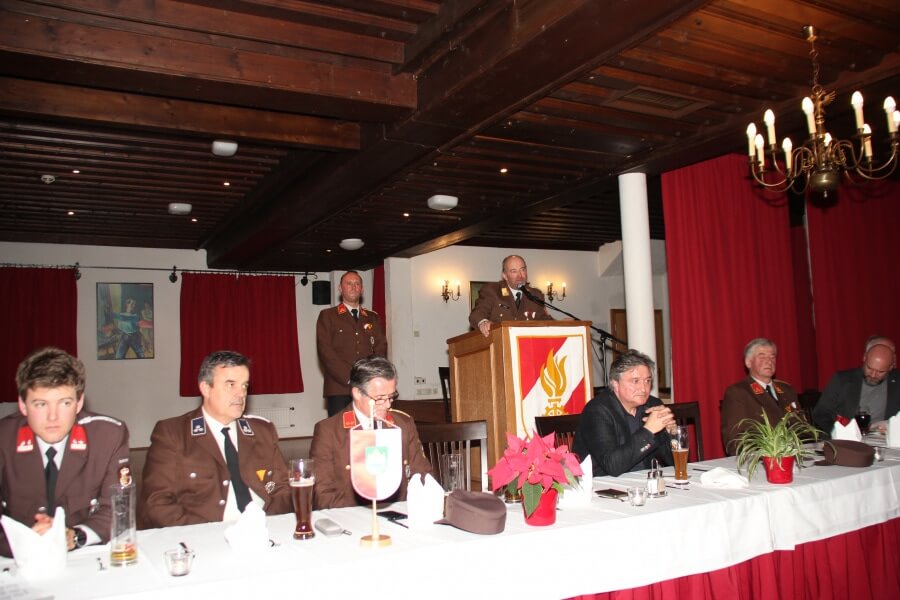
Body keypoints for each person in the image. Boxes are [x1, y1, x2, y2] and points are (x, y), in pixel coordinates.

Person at [0, 347, 130, 557]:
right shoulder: (4, 439)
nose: (53, 417)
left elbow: (117, 509)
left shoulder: (108, 436)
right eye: (40, 404)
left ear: (79, 403)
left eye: (65, 403)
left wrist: (75, 536)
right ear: (22, 405)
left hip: (82, 557)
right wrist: (24, 541)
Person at [139, 350, 291, 528]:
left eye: (244, 385)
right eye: (230, 384)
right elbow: (156, 503)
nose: (241, 394)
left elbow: (282, 489)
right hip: (203, 536)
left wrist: (267, 524)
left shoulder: (262, 431)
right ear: (205, 388)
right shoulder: (173, 434)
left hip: (263, 530)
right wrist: (209, 533)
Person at [310, 356, 432, 509]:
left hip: (399, 513)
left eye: (391, 397)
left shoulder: (403, 424)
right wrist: (363, 516)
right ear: (357, 393)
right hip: (350, 516)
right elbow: (323, 494)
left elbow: (422, 476)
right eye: (379, 398)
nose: (387, 405)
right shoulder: (329, 431)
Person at [572, 350, 675, 476]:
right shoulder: (596, 411)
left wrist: (671, 435)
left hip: (645, 480)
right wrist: (649, 430)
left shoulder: (653, 405)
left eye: (647, 381)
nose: (644, 389)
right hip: (602, 483)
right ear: (615, 384)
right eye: (635, 381)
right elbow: (612, 466)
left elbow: (673, 462)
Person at [316, 271, 388, 416]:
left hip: (368, 387)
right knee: (341, 428)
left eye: (357, 284)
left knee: (369, 427)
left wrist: (369, 376)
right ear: (340, 288)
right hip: (339, 387)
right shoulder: (328, 316)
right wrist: (351, 378)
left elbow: (381, 348)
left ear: (362, 289)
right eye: (348, 283)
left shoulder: (372, 317)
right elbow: (326, 352)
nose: (353, 287)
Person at [720, 338, 800, 455]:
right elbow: (736, 441)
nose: (769, 361)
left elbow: (802, 428)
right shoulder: (738, 392)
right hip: (762, 458)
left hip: (795, 454)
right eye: (762, 357)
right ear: (748, 362)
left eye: (772, 357)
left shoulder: (787, 390)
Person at [812, 337, 899, 437]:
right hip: (846, 439)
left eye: (880, 372)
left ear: (891, 367)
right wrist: (841, 431)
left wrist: (892, 427)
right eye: (869, 368)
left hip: (885, 440)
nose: (873, 375)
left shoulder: (897, 382)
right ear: (864, 358)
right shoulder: (842, 380)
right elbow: (821, 414)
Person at [468, 255, 552, 337]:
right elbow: (477, 314)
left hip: (527, 343)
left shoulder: (535, 294)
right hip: (499, 342)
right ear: (505, 276)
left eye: (523, 270)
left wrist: (559, 325)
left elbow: (546, 320)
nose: (520, 275)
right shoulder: (493, 290)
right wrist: (483, 322)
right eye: (514, 271)